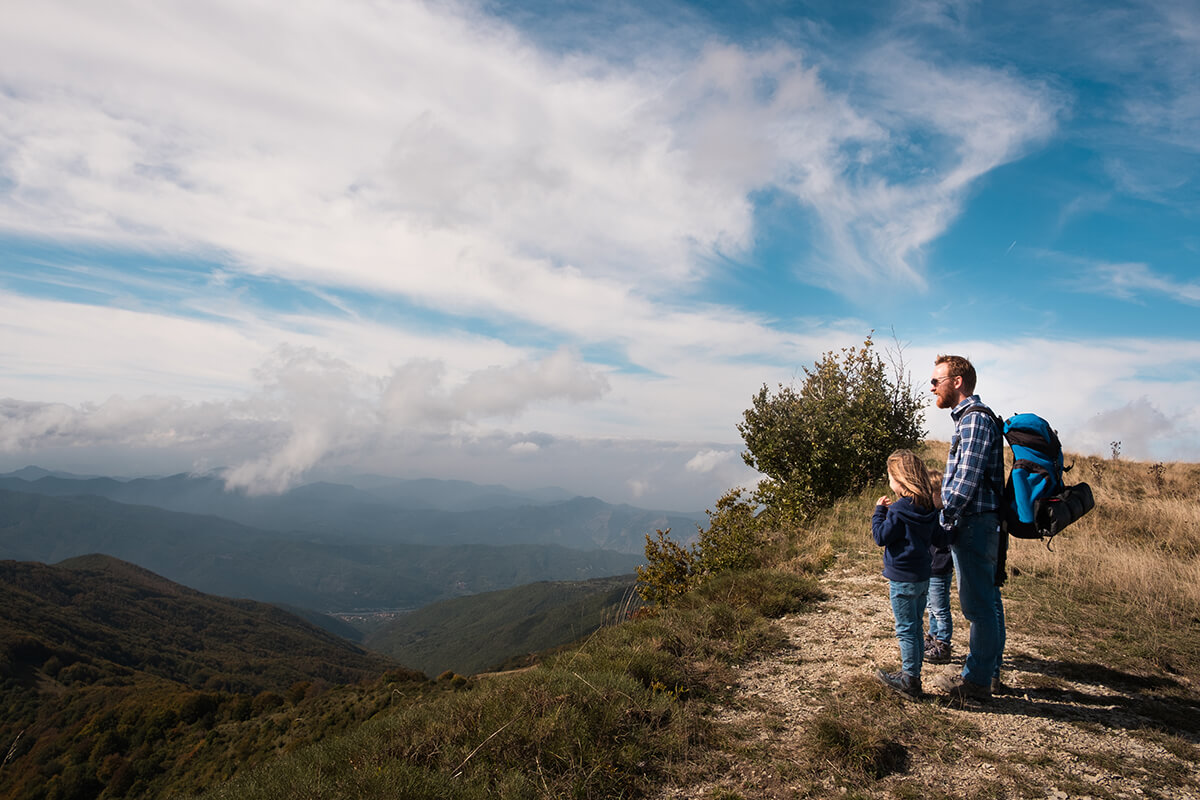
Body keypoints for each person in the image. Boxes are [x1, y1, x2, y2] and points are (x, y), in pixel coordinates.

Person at [929, 355, 1006, 702]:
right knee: (988, 602)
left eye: (936, 381)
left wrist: (945, 519)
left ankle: (975, 681)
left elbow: (966, 480)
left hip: (973, 524)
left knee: (977, 607)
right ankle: (989, 674)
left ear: (957, 382)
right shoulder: (971, 419)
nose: (932, 387)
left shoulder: (974, 420)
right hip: (981, 523)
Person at [873, 449, 941, 699]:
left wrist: (879, 513)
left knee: (906, 629)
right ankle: (913, 674)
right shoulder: (928, 507)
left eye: (890, 476)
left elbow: (881, 537)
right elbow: (940, 538)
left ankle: (910, 679)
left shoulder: (899, 509)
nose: (889, 481)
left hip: (902, 579)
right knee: (916, 627)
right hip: (923, 577)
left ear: (900, 480)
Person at [924, 467, 954, 664]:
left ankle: (943, 643)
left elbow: (945, 540)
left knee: (939, 607)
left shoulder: (945, 516)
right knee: (931, 606)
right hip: (929, 567)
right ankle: (933, 637)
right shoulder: (930, 514)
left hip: (940, 568)